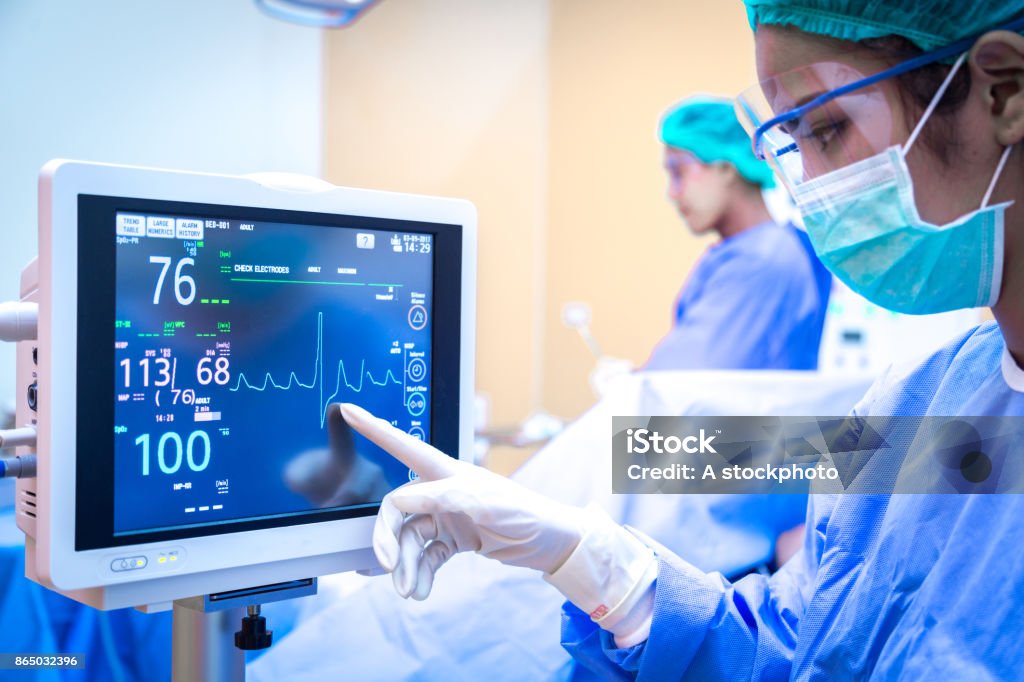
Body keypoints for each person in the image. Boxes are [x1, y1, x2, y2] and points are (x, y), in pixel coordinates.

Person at [340, 0, 1024, 678]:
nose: (813, 185)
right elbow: (801, 647)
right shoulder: (932, 397)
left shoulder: (769, 268)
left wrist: (623, 430)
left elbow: (687, 440)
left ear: (1005, 91)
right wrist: (596, 564)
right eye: (792, 142)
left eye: (826, 126)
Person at [644, 96, 832, 371]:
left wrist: (628, 390)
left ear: (725, 167)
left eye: (679, 172)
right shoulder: (748, 251)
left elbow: (682, 379)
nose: (672, 193)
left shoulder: (762, 260)